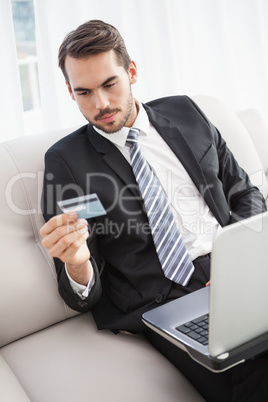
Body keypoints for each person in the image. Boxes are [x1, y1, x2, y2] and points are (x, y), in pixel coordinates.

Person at [40, 19, 268, 401]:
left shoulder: (186, 113)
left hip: (234, 271)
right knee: (253, 362)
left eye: (109, 84)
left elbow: (245, 194)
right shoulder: (66, 162)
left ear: (131, 71)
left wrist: (240, 268)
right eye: (84, 92)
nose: (101, 105)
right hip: (167, 300)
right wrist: (77, 262)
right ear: (69, 91)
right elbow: (82, 293)